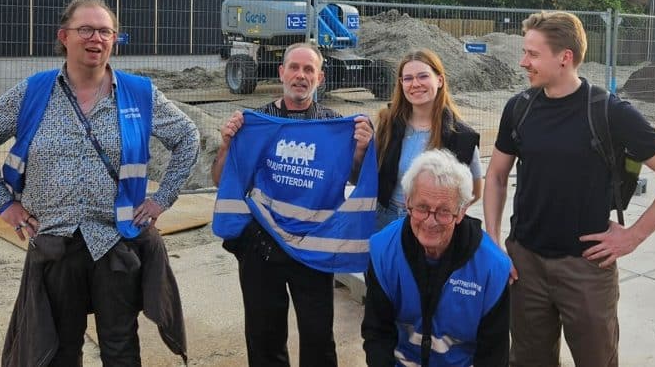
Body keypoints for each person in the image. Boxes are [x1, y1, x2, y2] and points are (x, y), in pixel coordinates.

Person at [0, 0, 200, 366]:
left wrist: (162, 199)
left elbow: (188, 138)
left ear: (115, 39)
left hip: (115, 241)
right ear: (64, 36)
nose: (96, 39)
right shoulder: (33, 93)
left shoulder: (138, 94)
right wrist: (6, 205)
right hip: (56, 243)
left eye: (105, 31)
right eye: (85, 29)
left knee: (120, 348)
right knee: (58, 349)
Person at [482, 11, 655, 367]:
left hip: (585, 268)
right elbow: (495, 176)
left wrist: (634, 236)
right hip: (524, 265)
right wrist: (494, 240)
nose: (523, 62)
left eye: (533, 54)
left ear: (564, 57)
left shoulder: (610, 112)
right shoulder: (518, 108)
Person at [211, 42, 375, 367]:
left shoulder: (335, 124)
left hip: (314, 249)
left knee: (317, 338)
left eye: (309, 69)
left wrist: (360, 151)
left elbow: (356, 177)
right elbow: (221, 179)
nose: (301, 76)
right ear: (281, 72)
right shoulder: (255, 122)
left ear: (320, 78)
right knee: (264, 336)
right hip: (262, 248)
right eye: (295, 68)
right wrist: (228, 144)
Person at [362, 148, 511, 367]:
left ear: (461, 211)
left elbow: (493, 356)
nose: (431, 222)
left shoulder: (491, 268)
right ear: (407, 201)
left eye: (443, 211)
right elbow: (377, 335)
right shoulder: (383, 250)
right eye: (422, 208)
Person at [374, 49, 482, 230]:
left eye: (423, 76)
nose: (415, 84)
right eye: (408, 78)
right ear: (401, 84)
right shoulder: (388, 125)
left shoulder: (461, 136)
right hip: (385, 221)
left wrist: (442, 216)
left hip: (430, 225)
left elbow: (475, 192)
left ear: (439, 80)